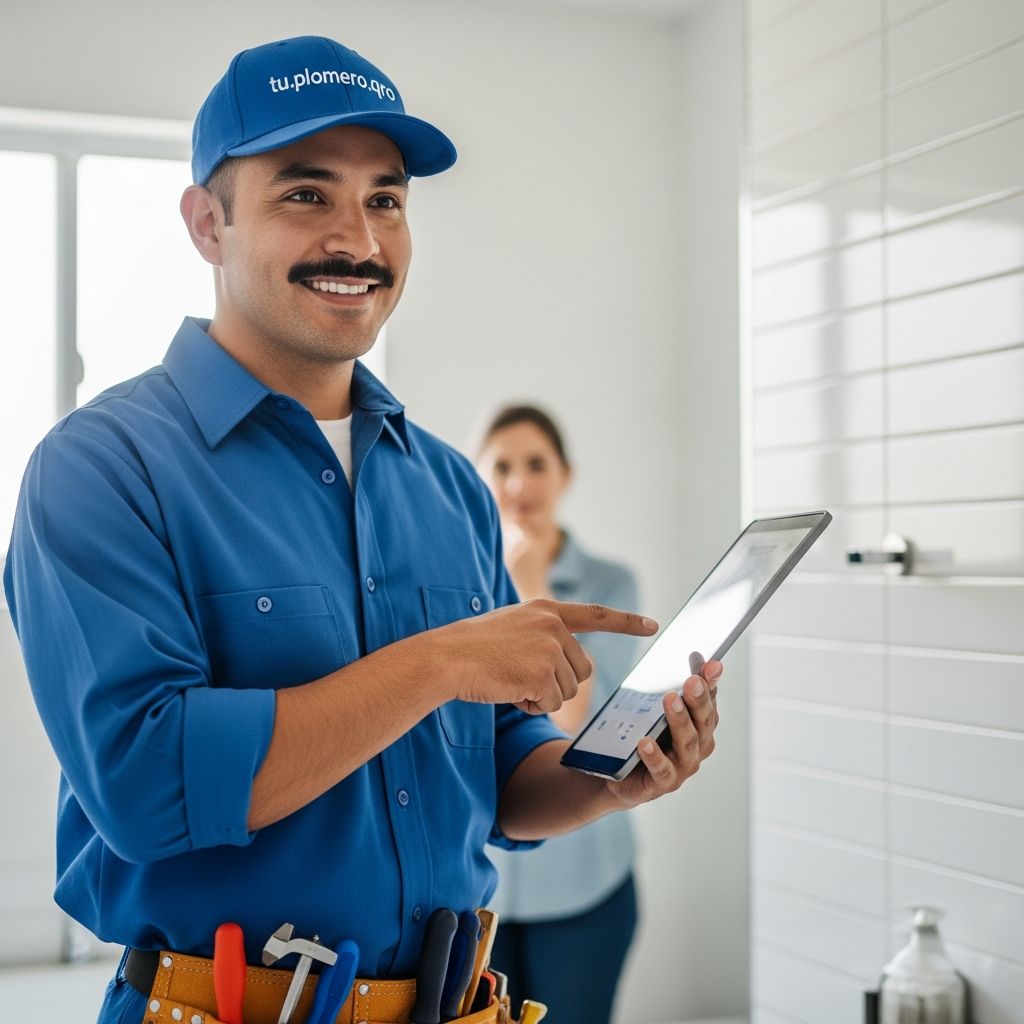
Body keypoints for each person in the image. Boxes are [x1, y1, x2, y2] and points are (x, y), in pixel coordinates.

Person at [3, 35, 723, 1024]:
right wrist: (440, 661)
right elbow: (147, 783)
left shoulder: (446, 486)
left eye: (385, 199)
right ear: (206, 224)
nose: (360, 240)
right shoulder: (100, 468)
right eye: (307, 195)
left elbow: (498, 759)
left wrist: (605, 777)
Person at [475, 405, 642, 1024]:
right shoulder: (461, 588)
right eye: (503, 466)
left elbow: (566, 728)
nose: (520, 483)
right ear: (478, 479)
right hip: (481, 895)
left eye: (536, 464)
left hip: (584, 888)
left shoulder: (611, 585)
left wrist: (529, 587)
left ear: (565, 476)